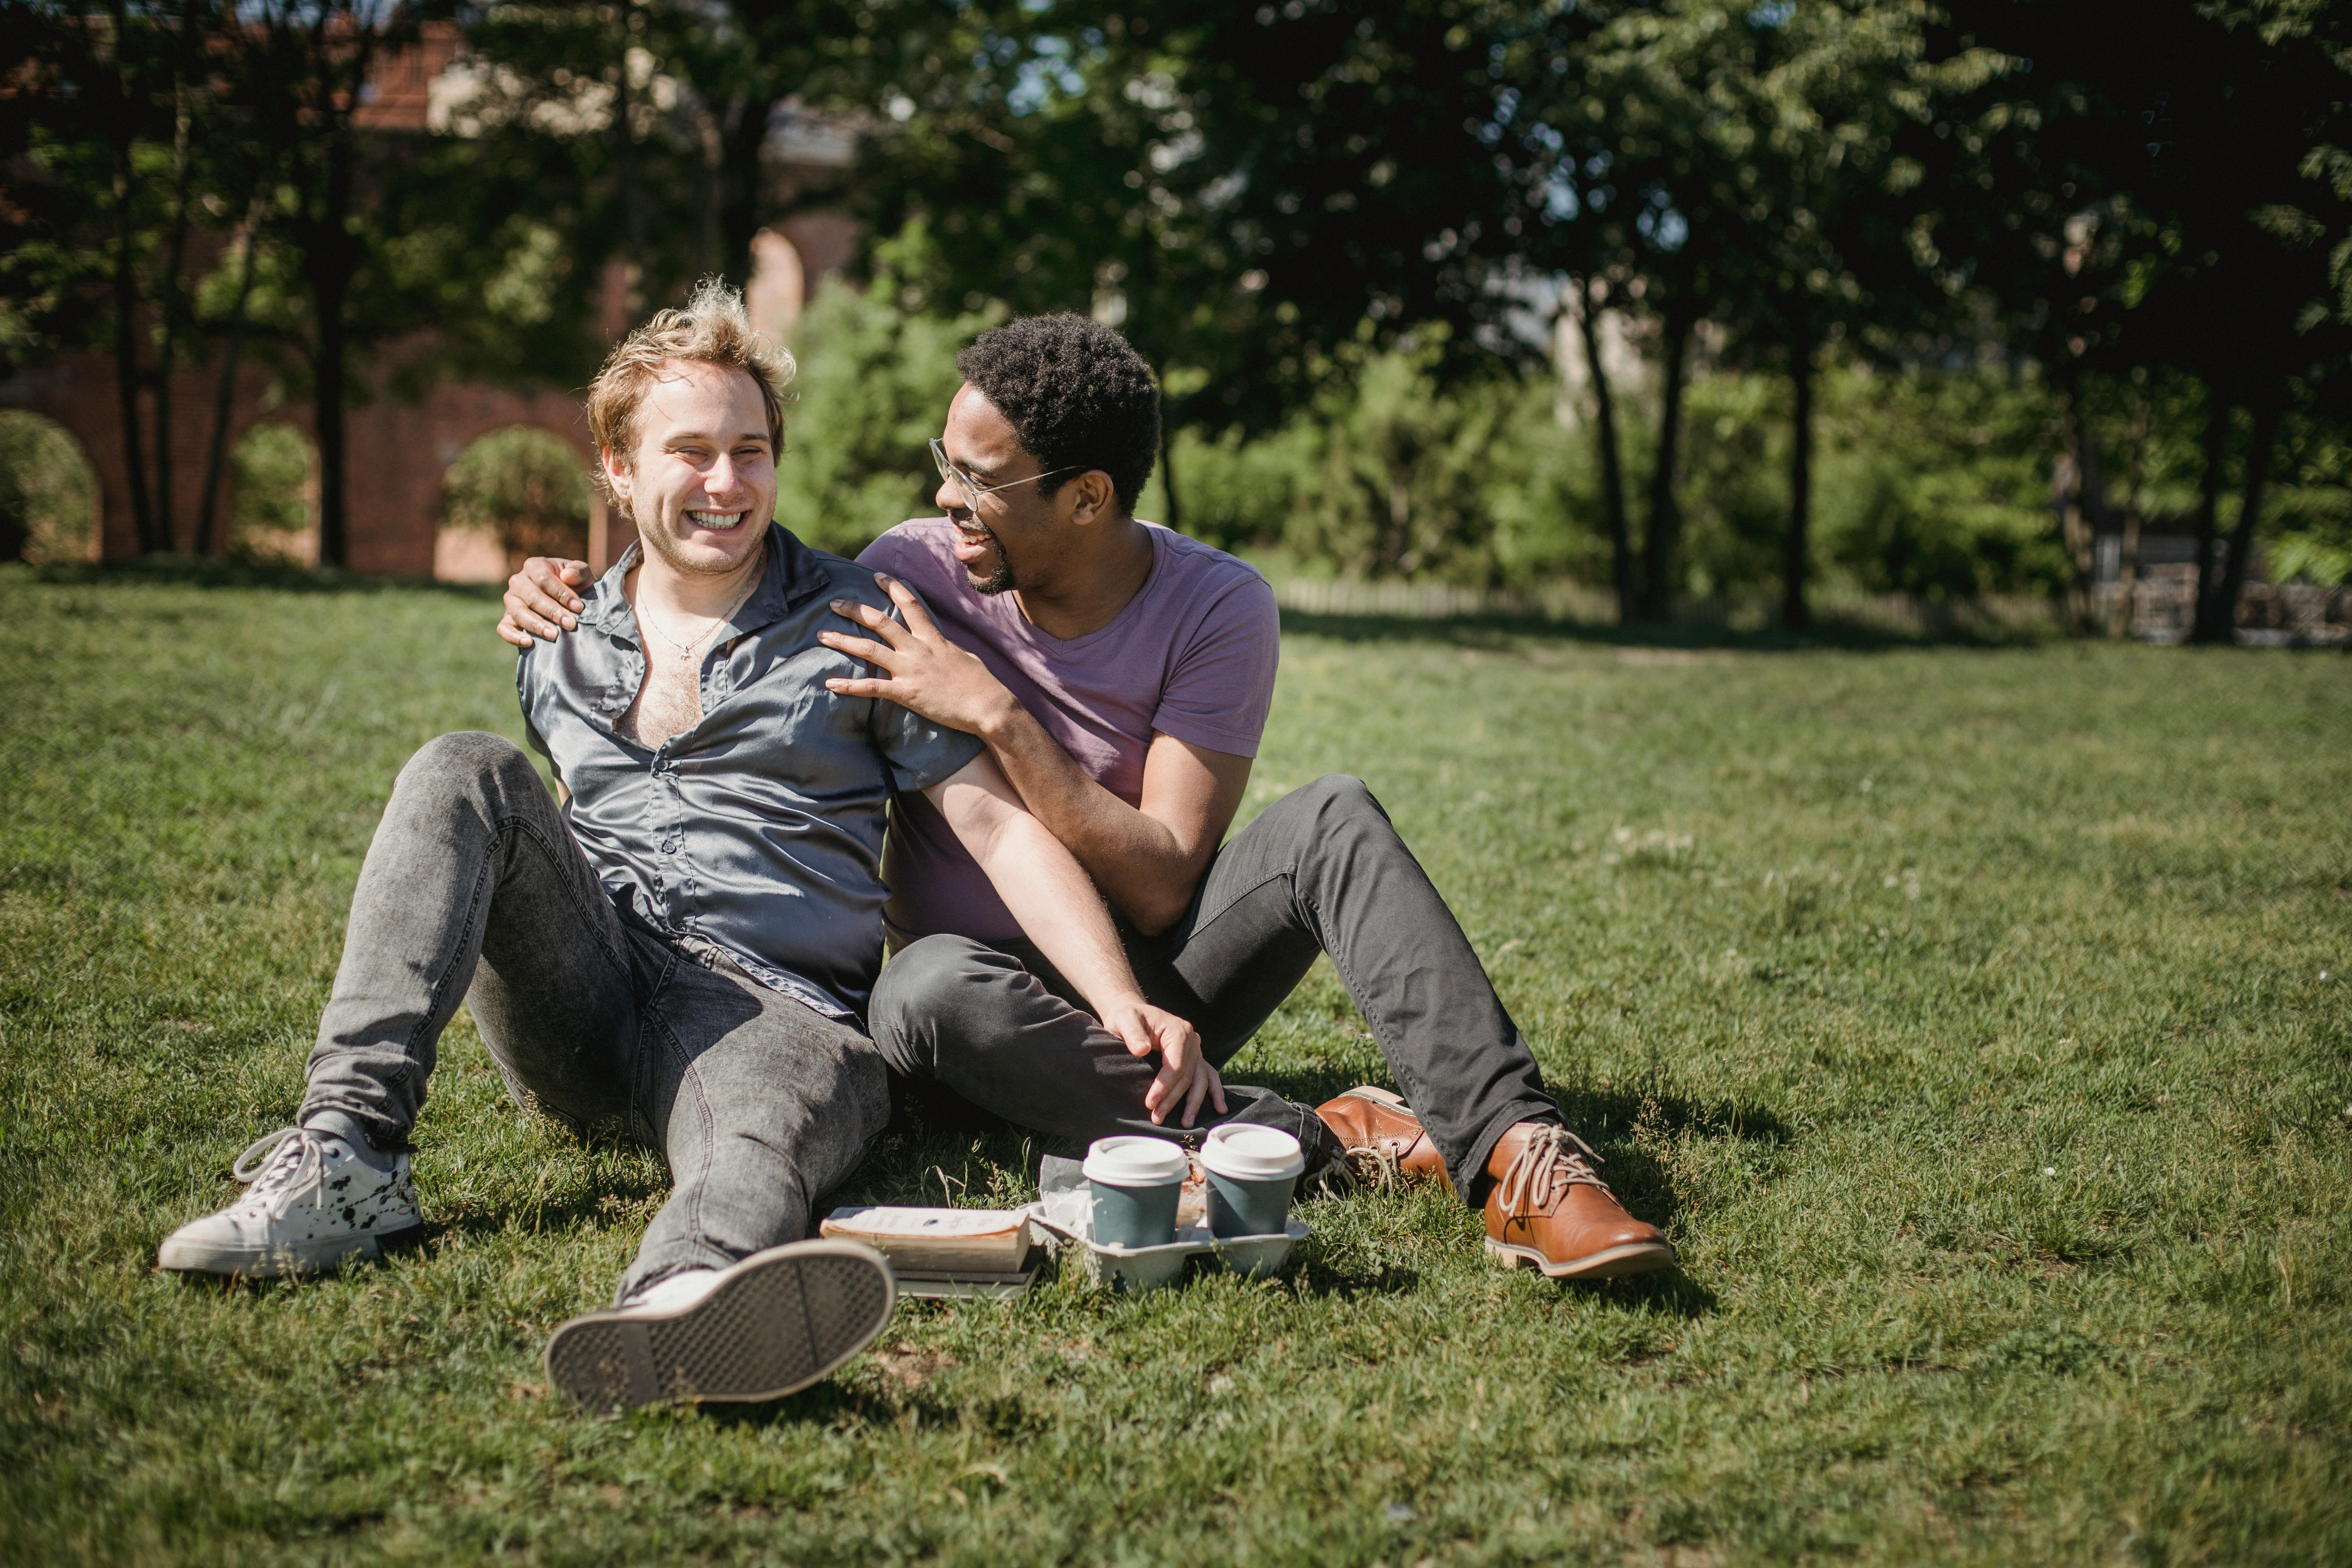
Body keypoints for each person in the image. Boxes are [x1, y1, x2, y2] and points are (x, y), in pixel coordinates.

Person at [159, 286, 1209, 1410]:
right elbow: (551, 818)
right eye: (693, 451)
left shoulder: (864, 622)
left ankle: (684, 1302)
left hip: (779, 1014)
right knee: (462, 767)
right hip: (589, 1003)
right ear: (618, 467)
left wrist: (1113, 996)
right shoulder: (560, 633)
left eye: (750, 452)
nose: (726, 483)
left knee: (753, 1141)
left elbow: (994, 824)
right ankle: (347, 1154)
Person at [499, 314, 1674, 1282]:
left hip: (1152, 982)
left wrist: (999, 713)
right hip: (968, 1010)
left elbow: (1164, 883)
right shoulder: (903, 570)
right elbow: (726, 590)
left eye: (980, 480)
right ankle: (1319, 1133)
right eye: (943, 462)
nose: (945, 498)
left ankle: (1520, 1158)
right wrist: (572, 587)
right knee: (929, 982)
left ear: (1086, 499)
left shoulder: (1220, 609)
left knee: (1338, 817)